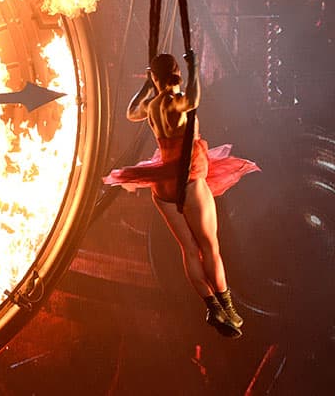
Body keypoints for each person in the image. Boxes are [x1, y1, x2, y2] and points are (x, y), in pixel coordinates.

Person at [103, 51, 259, 338]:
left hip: (162, 184)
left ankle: (211, 305)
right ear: (176, 72)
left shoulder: (152, 106)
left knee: (188, 249)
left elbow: (130, 112)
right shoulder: (177, 102)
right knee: (209, 246)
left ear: (156, 78)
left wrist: (147, 87)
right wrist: (195, 67)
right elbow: (195, 100)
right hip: (188, 178)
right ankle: (227, 306)